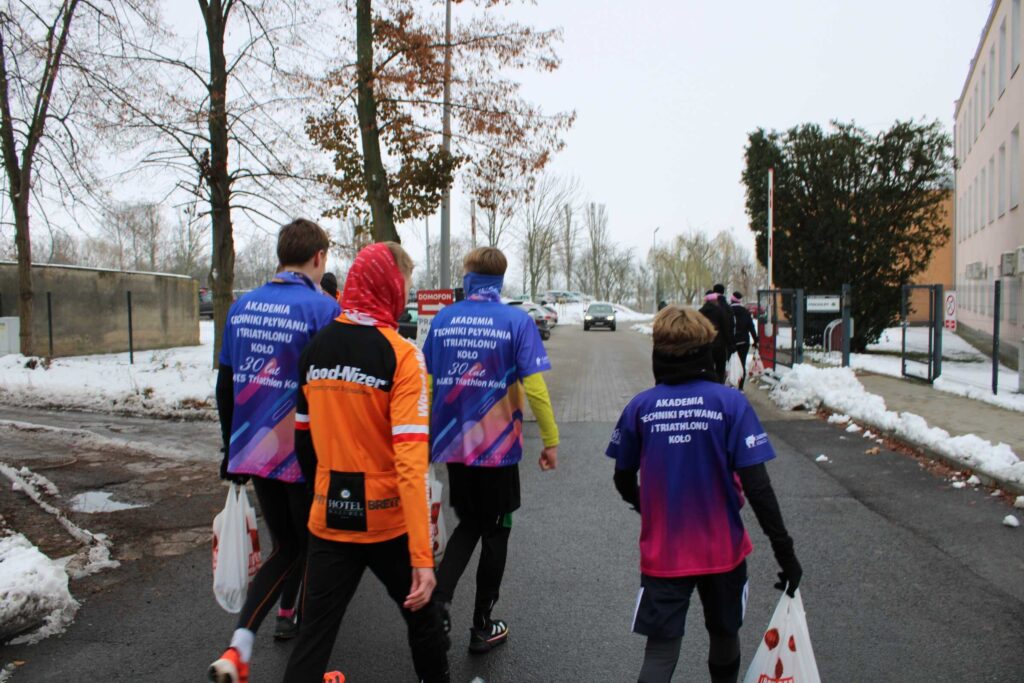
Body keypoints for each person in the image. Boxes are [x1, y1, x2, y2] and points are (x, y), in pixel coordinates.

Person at [282, 242, 450, 683]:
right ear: (388, 287)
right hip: (387, 521)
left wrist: (320, 494)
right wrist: (422, 557)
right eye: (403, 286)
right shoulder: (403, 356)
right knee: (426, 620)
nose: (404, 296)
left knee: (313, 639)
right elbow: (411, 463)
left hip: (329, 519)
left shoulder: (314, 350)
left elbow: (303, 443)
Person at [606, 305, 802, 683]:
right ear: (706, 348)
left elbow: (622, 477)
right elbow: (759, 488)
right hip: (722, 549)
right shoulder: (731, 404)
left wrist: (647, 505)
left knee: (660, 651)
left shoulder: (640, 407)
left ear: (659, 351)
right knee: (724, 636)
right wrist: (786, 554)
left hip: (665, 550)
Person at [210, 219, 340, 683]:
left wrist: (231, 449)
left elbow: (226, 384)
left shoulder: (242, 307)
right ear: (319, 258)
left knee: (287, 547)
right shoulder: (324, 309)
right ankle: (306, 661)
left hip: (255, 449)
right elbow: (336, 389)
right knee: (319, 551)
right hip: (307, 454)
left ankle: (239, 645)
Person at [422, 246, 559, 654]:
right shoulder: (517, 321)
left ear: (468, 277)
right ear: (500, 278)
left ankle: (437, 603)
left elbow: (426, 383)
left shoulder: (443, 320)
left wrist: (425, 438)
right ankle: (481, 624)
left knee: (470, 523)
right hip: (498, 450)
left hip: (454, 445)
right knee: (496, 530)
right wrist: (550, 440)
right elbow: (535, 387)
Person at [698, 291, 731, 382]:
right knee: (720, 368)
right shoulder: (720, 311)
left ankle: (709, 384)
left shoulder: (700, 312)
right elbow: (725, 328)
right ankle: (719, 385)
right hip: (720, 345)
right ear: (715, 300)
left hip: (706, 345)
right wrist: (729, 344)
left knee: (708, 368)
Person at [729, 292, 758, 391]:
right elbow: (751, 327)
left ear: (731, 300)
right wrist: (755, 340)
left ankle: (732, 384)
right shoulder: (745, 312)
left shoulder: (728, 310)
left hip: (731, 342)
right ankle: (740, 387)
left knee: (731, 363)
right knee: (742, 363)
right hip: (744, 341)